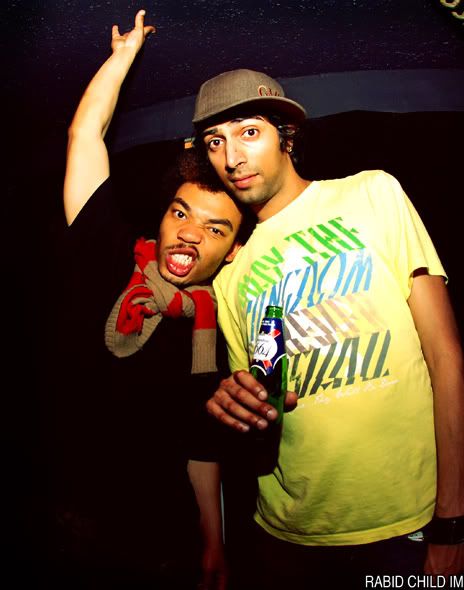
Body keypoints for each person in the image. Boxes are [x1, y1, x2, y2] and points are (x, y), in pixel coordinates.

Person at [191, 69, 464, 588]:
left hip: (405, 525)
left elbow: (447, 359)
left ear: (286, 136)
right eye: (215, 141)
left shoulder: (373, 193)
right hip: (285, 536)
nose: (232, 158)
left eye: (249, 132)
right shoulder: (230, 276)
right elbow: (260, 410)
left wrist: (453, 522)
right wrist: (234, 404)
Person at [48, 11, 248, 589]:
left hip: (162, 538)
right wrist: (123, 58)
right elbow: (86, 137)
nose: (189, 234)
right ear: (162, 218)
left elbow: (200, 445)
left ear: (232, 252)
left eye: (215, 228)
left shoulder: (216, 327)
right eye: (181, 214)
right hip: (70, 524)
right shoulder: (108, 255)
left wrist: (213, 543)